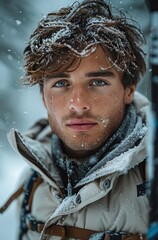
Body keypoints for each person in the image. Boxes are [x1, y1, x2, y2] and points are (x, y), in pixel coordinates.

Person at [0, 0, 149, 239]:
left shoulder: (154, 177)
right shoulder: (32, 181)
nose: (78, 103)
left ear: (129, 89)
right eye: (61, 84)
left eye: (98, 82)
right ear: (43, 96)